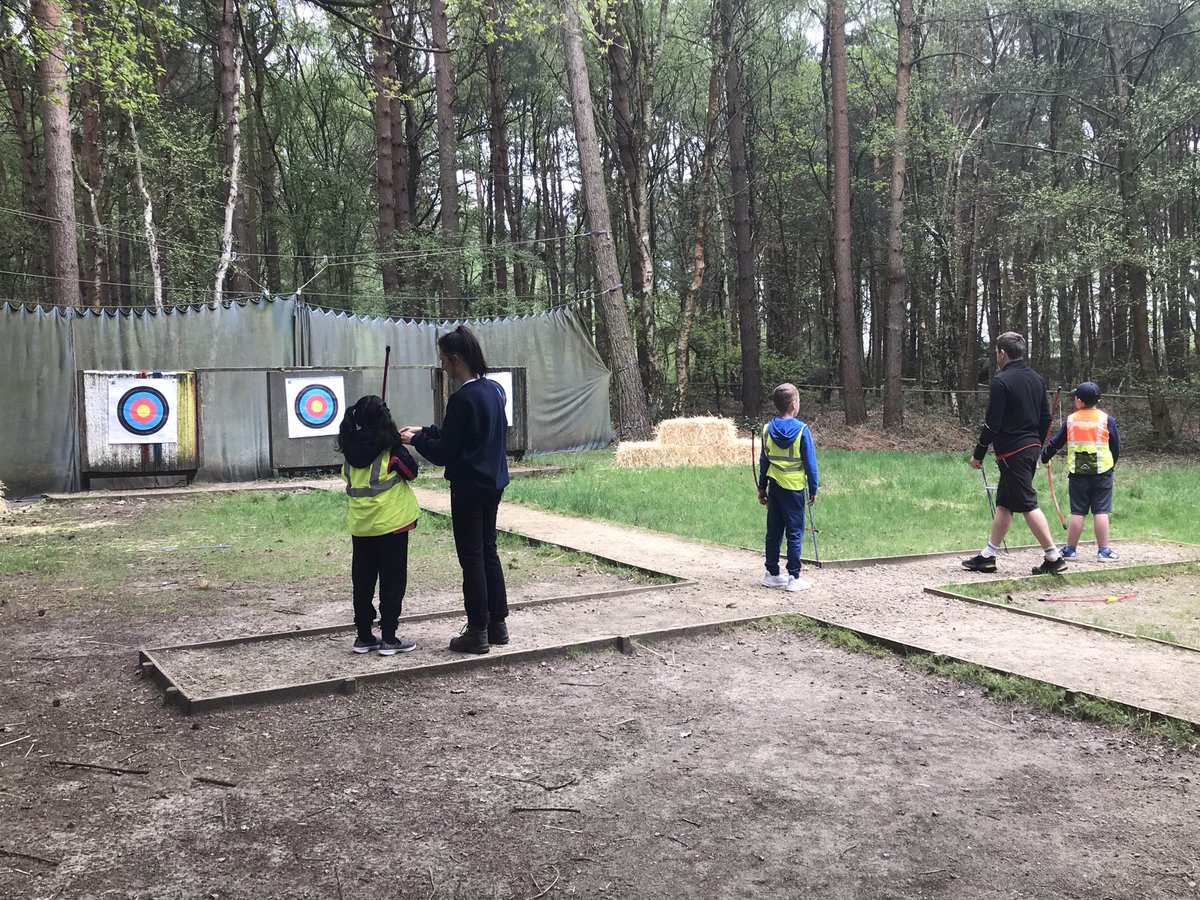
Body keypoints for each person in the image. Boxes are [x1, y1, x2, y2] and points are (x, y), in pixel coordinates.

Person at [401, 325, 510, 654]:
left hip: (469, 487)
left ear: (457, 358)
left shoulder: (462, 398)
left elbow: (445, 452)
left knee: (472, 557)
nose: (443, 367)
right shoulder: (493, 390)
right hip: (492, 483)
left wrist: (415, 440)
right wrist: (424, 430)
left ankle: (477, 631)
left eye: (444, 361)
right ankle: (497, 626)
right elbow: (460, 435)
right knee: (487, 551)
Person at [963, 332, 1067, 575]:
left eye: (996, 352)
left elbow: (992, 424)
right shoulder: (1037, 379)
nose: (996, 356)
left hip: (1013, 450)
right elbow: (1046, 418)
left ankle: (1053, 557)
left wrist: (978, 453)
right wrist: (1038, 448)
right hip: (1029, 448)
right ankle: (988, 556)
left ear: (1002, 352)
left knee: (1027, 503)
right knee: (1005, 504)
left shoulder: (1001, 382)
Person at [336, 394, 420, 655]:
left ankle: (363, 636)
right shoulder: (390, 450)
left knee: (363, 581)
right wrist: (395, 441)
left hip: (361, 527)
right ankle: (389, 639)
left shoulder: (350, 450)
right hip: (392, 525)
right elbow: (412, 473)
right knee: (392, 582)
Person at [1040, 381, 1121, 562]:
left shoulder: (1071, 420)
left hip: (1078, 473)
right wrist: (1111, 464)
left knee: (1078, 512)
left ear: (1079, 401)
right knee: (1101, 511)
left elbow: (1056, 442)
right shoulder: (1107, 419)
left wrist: (1045, 456)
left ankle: (1070, 551)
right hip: (1103, 472)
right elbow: (1116, 447)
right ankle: (1103, 552)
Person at [758, 382, 819, 592]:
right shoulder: (802, 430)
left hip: (774, 487)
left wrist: (761, 487)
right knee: (795, 532)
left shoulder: (767, 429)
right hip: (794, 489)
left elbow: (763, 461)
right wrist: (814, 488)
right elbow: (810, 464)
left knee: (773, 531)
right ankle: (794, 577)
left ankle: (771, 573)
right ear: (794, 404)